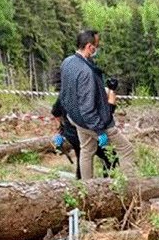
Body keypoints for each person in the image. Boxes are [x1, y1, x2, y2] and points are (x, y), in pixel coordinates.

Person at [58, 29, 135, 179]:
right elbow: (87, 107)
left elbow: (67, 93)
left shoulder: (67, 62)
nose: (97, 49)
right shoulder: (86, 72)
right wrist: (100, 131)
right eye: (96, 45)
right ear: (89, 46)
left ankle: (88, 189)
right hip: (93, 121)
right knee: (126, 149)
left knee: (87, 150)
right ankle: (131, 187)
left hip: (76, 118)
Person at [51, 93, 116, 179]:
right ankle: (108, 183)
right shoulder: (87, 92)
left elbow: (55, 112)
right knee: (110, 156)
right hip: (88, 131)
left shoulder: (65, 92)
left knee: (82, 157)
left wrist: (63, 127)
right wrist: (112, 93)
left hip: (72, 134)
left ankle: (81, 182)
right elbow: (107, 112)